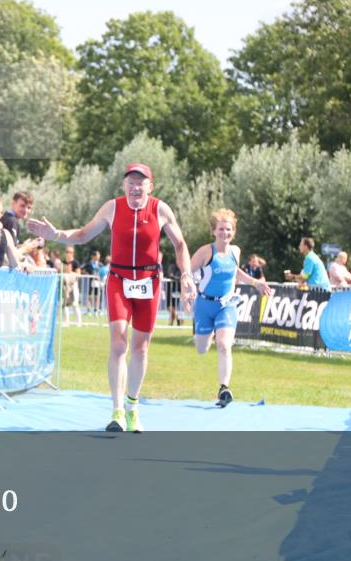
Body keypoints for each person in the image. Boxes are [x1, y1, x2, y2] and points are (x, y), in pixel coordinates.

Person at [28, 163, 196, 432]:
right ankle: (117, 410)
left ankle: (132, 406)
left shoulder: (160, 209)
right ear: (124, 186)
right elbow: (83, 234)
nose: (135, 186)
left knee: (141, 347)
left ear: (150, 187)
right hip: (119, 280)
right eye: (130, 181)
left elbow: (180, 244)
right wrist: (57, 235)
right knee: (119, 344)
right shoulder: (112, 207)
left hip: (148, 281)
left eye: (141, 182)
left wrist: (186, 275)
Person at [190, 209, 274, 408]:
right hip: (204, 305)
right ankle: (208, 333)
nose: (224, 233)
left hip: (227, 304)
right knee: (202, 349)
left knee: (225, 345)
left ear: (233, 232)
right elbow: (187, 272)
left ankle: (224, 388)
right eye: (220, 229)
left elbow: (236, 272)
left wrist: (256, 283)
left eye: (228, 229)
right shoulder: (205, 252)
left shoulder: (235, 251)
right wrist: (189, 289)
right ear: (213, 231)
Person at [61, 245, 82, 327]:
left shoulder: (75, 263)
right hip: (65, 286)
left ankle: (78, 322)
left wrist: (70, 273)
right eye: (67, 252)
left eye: (69, 252)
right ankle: (66, 322)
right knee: (65, 304)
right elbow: (61, 271)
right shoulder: (63, 262)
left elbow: (79, 274)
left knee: (75, 304)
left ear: (73, 253)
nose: (68, 253)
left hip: (74, 285)